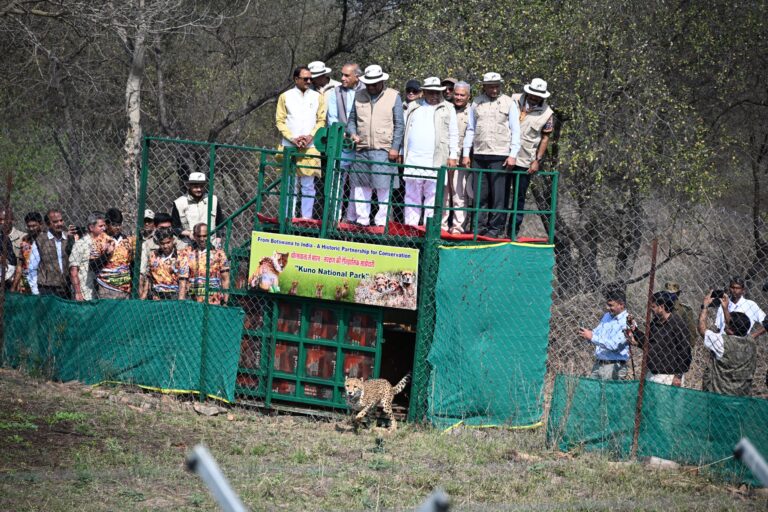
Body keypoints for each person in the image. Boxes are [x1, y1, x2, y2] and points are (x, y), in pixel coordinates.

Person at [461, 72, 521, 238]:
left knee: (498, 195)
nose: (494, 90)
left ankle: (495, 229)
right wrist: (466, 153)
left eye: (496, 86)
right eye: (491, 86)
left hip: (500, 154)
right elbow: (471, 128)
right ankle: (478, 227)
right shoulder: (476, 103)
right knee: (479, 194)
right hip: (479, 154)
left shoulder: (509, 103)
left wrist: (513, 154)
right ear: (484, 86)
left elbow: (515, 130)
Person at [346, 65, 404, 227]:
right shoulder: (359, 95)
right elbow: (351, 120)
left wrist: (395, 147)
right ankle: (362, 221)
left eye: (374, 83)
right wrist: (352, 133)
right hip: (362, 149)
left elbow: (399, 124)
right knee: (360, 186)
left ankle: (381, 223)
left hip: (384, 149)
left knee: (383, 187)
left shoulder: (393, 96)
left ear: (381, 81)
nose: (371, 86)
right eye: (368, 83)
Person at [401, 77, 458, 226]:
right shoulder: (413, 107)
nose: (434, 95)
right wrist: (401, 152)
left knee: (433, 196)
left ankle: (428, 229)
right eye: (431, 92)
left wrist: (453, 155)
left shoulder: (448, 108)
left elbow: (453, 133)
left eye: (437, 92)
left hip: (436, 160)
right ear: (424, 92)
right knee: (412, 195)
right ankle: (411, 228)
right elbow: (404, 132)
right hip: (414, 158)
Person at [275, 65, 326, 220]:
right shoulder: (285, 96)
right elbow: (280, 121)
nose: (309, 81)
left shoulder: (317, 97)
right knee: (290, 184)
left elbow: (321, 120)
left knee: (308, 185)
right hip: (290, 146)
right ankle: (288, 217)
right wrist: (293, 138)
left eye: (310, 78)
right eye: (305, 79)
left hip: (310, 146)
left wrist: (310, 136)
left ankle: (305, 218)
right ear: (296, 79)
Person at [507, 78, 554, 236]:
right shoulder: (513, 100)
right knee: (499, 194)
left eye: (538, 95)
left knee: (519, 196)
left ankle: (512, 231)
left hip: (525, 159)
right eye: (532, 93)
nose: (534, 97)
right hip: (503, 154)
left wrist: (537, 160)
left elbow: (545, 138)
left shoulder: (547, 113)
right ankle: (495, 229)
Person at [326, 63, 364, 223]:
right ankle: (334, 217)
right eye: (342, 74)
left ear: (357, 77)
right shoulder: (335, 92)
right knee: (337, 180)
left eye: (347, 75)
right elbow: (332, 118)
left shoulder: (366, 91)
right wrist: (343, 134)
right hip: (342, 143)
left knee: (358, 182)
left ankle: (352, 218)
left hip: (361, 144)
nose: (342, 78)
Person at [699, 292, 756, 396]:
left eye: (727, 323)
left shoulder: (721, 342)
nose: (725, 323)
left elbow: (702, 329)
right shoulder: (751, 342)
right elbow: (733, 325)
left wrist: (705, 306)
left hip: (720, 394)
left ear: (731, 329)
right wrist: (725, 308)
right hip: (741, 395)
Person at [629, 291, 692, 386]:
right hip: (652, 373)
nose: (651, 309)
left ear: (661, 307)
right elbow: (648, 342)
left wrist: (678, 376)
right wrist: (635, 330)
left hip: (668, 377)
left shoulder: (678, 324)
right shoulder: (655, 323)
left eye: (653, 306)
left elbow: (685, 352)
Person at [578, 291, 631, 380]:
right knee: (591, 388)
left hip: (614, 366)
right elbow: (597, 333)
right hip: (599, 363)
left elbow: (615, 345)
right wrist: (587, 334)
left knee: (608, 389)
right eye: (607, 304)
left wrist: (592, 337)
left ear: (621, 305)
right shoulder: (607, 316)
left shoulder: (628, 321)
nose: (607, 308)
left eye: (611, 305)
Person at [441, 81, 472, 234]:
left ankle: (458, 227)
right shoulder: (446, 108)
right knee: (443, 195)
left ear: (468, 96)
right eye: (456, 94)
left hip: (461, 160)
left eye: (462, 95)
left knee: (459, 195)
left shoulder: (472, 112)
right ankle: (442, 226)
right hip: (443, 158)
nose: (458, 97)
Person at [179, 223, 230, 305]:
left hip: (213, 300)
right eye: (199, 236)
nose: (202, 239)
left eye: (205, 236)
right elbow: (183, 279)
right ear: (194, 236)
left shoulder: (219, 254)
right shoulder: (186, 253)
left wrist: (225, 301)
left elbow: (225, 279)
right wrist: (181, 300)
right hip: (192, 300)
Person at [69, 211, 113, 301]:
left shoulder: (105, 242)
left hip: (98, 292)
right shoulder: (81, 244)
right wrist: (78, 292)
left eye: (104, 226)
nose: (104, 228)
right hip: (84, 293)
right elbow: (73, 271)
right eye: (100, 226)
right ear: (91, 227)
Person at [28, 209, 69, 298]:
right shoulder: (41, 240)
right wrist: (35, 291)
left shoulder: (69, 238)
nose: (59, 224)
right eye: (55, 222)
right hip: (47, 288)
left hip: (67, 287)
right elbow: (32, 267)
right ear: (48, 224)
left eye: (61, 220)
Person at [172, 172, 223, 242]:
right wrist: (189, 234)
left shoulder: (213, 200)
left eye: (201, 186)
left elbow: (220, 223)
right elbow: (175, 227)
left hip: (211, 242)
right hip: (189, 243)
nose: (199, 189)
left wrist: (218, 239)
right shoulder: (179, 203)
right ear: (189, 186)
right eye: (196, 187)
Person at [95, 208, 135, 299]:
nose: (117, 227)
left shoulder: (127, 240)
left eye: (119, 224)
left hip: (124, 289)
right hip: (106, 287)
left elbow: (132, 264)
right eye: (114, 224)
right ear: (107, 224)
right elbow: (93, 265)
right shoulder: (100, 239)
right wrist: (106, 254)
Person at [140, 227, 182, 300]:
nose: (165, 246)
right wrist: (144, 296)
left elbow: (183, 281)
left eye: (168, 242)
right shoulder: (153, 256)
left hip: (174, 296)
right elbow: (149, 277)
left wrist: (181, 300)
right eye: (162, 243)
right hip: (156, 296)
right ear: (158, 243)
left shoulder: (180, 256)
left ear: (173, 240)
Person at [12, 212, 44, 293]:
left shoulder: (46, 240)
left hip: (42, 282)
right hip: (26, 282)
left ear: (41, 224)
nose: (31, 229)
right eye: (29, 226)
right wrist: (14, 285)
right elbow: (20, 264)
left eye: (34, 226)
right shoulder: (25, 240)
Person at [664, 281, 697, 347]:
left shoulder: (685, 310)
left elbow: (691, 330)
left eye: (672, 294)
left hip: (678, 345)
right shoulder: (661, 308)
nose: (669, 296)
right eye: (667, 294)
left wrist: (690, 347)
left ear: (677, 294)